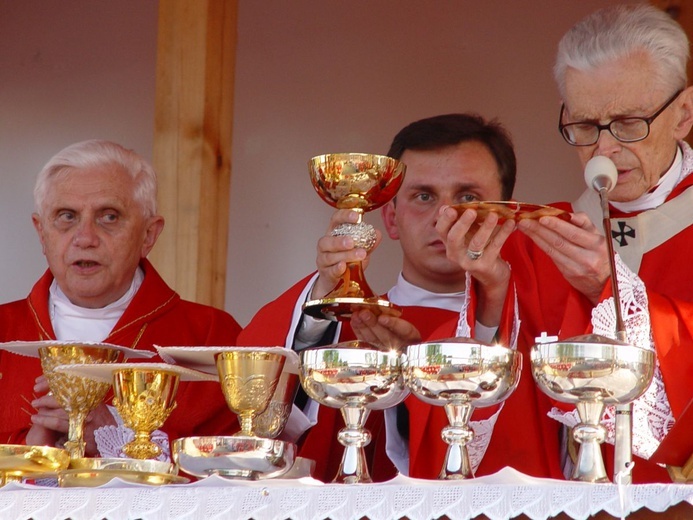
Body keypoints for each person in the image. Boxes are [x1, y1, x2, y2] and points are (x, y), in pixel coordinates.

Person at [438, 3, 693, 483]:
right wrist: (493, 289)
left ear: (683, 115)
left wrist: (608, 285)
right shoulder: (539, 239)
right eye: (583, 126)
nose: (604, 150)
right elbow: (499, 416)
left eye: (629, 123)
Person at [238, 113, 548, 482]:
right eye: (423, 196)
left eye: (468, 197)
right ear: (390, 218)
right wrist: (324, 298)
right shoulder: (354, 324)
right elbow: (263, 423)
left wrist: (491, 307)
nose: (444, 217)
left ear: (504, 216)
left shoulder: (543, 331)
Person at [0, 140, 242, 458]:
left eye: (109, 217)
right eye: (67, 216)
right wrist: (28, 452)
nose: (85, 238)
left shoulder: (211, 337)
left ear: (148, 235)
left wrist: (117, 437)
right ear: (41, 232)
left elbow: (239, 464)